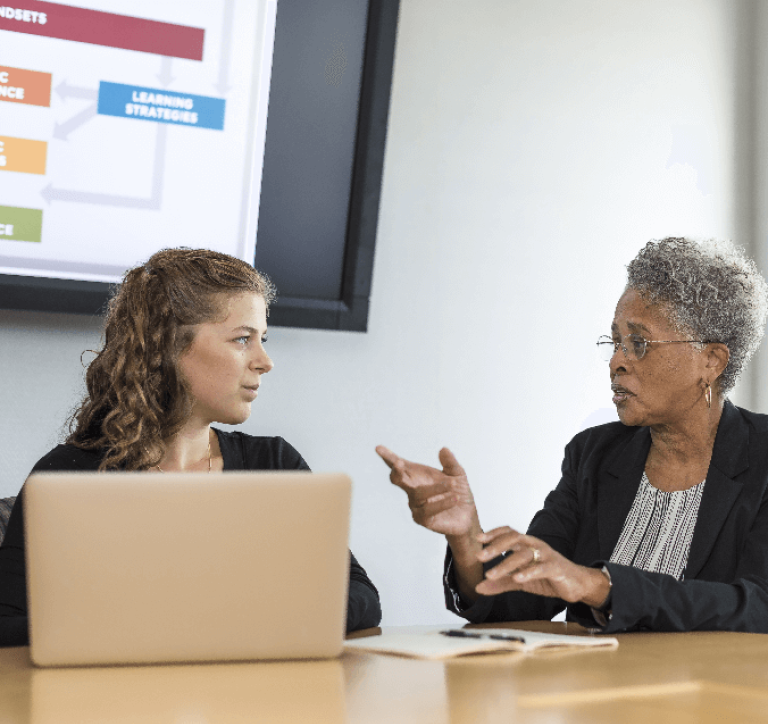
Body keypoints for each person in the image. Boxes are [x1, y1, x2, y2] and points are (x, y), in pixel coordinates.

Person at [378, 236, 768, 633]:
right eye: (615, 342)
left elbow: (757, 607)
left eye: (638, 343)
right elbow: (524, 598)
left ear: (711, 361)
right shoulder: (594, 455)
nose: (617, 361)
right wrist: (467, 537)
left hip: (718, 692)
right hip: (594, 689)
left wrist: (600, 586)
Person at [0, 248, 381, 646]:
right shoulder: (70, 473)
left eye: (262, 339)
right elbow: (6, 622)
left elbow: (360, 597)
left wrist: (245, 618)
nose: (265, 361)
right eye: (242, 339)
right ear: (168, 348)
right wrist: (149, 624)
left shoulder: (273, 463)